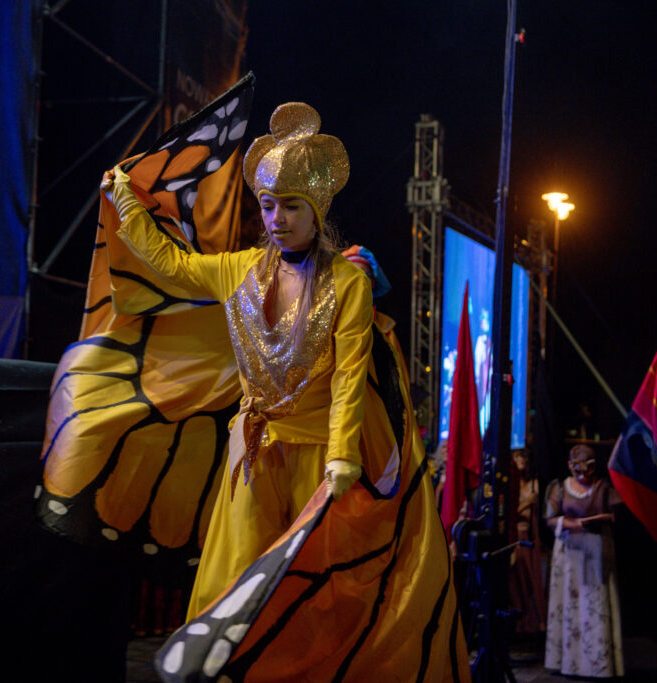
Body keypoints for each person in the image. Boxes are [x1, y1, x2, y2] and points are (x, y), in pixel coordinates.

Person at [102, 102, 468, 680]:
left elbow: (349, 373)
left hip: (319, 461)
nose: (276, 218)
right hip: (254, 454)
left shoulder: (346, 282)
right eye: (269, 205)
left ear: (316, 211)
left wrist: (343, 454)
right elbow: (172, 263)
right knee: (237, 577)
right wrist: (126, 201)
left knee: (308, 596)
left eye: (291, 206)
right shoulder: (238, 269)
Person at [544, 444, 624, 678]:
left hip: (596, 552)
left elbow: (619, 511)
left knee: (594, 605)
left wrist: (606, 518)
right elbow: (549, 518)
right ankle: (569, 662)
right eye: (578, 469)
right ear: (570, 466)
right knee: (570, 604)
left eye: (588, 468)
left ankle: (598, 663)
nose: (584, 475)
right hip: (569, 554)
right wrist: (573, 523)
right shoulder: (560, 487)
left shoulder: (603, 487)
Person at [508, 448, 547, 637]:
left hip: (530, 535)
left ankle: (536, 621)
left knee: (533, 577)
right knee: (518, 579)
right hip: (515, 535)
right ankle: (520, 622)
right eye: (517, 456)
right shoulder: (510, 485)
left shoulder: (534, 484)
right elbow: (509, 513)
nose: (521, 460)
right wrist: (526, 503)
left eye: (523, 456)